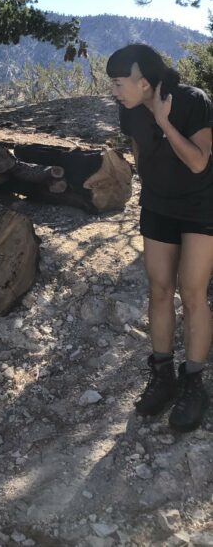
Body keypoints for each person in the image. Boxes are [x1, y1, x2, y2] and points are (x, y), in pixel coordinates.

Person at [107, 44, 213, 431]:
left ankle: (194, 382)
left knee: (193, 292)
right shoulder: (128, 109)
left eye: (119, 84)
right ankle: (163, 373)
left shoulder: (192, 102)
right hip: (158, 207)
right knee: (159, 289)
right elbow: (137, 148)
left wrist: (165, 124)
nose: (115, 92)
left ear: (145, 82)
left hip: (201, 209)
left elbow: (200, 163)